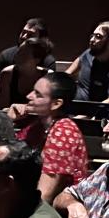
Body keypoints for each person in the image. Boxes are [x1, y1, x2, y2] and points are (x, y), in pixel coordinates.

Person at [13, 71, 89, 201]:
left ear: (56, 104)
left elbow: (45, 195)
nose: (28, 96)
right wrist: (9, 121)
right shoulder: (37, 127)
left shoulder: (64, 130)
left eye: (38, 94)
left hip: (55, 210)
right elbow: (9, 155)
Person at [66, 20, 109, 103]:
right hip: (72, 105)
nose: (92, 40)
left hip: (93, 113)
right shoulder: (88, 53)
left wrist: (89, 114)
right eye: (92, 35)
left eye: (98, 36)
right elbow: (68, 74)